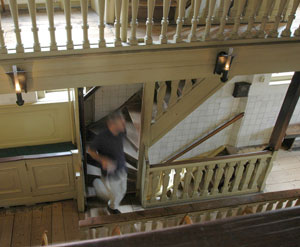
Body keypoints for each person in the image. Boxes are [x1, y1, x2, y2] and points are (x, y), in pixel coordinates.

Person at [87, 111, 127, 214]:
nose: (124, 123)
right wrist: (102, 159)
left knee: (123, 190)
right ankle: (99, 186)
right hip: (110, 173)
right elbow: (90, 151)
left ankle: (111, 205)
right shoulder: (102, 137)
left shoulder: (121, 132)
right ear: (112, 124)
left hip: (122, 168)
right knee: (115, 194)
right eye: (121, 122)